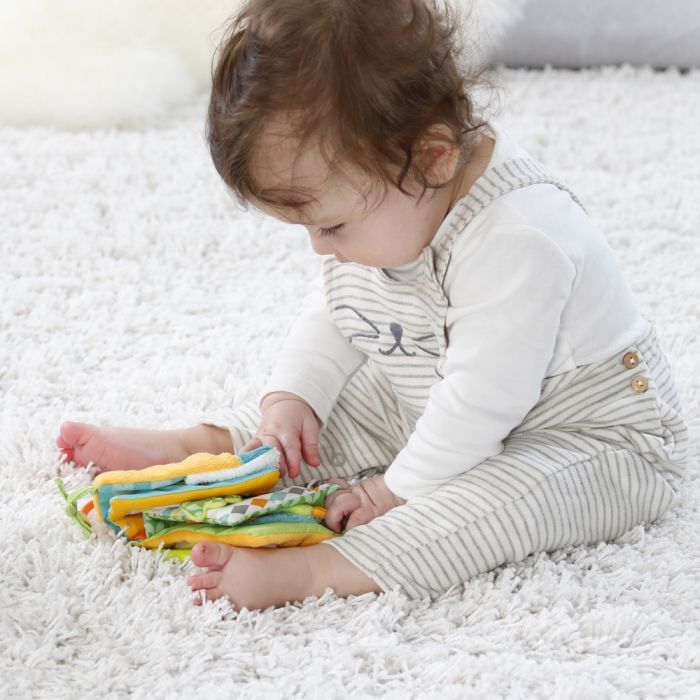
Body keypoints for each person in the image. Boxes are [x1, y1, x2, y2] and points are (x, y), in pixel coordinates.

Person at [56, 0, 688, 612]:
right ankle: (203, 447)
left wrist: (393, 490)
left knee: (489, 507)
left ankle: (317, 570)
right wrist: (293, 398)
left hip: (590, 435)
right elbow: (341, 309)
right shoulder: (401, 197)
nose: (319, 247)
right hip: (443, 388)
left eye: (331, 227)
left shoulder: (519, 240)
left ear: (432, 159)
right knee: (327, 418)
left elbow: (481, 402)